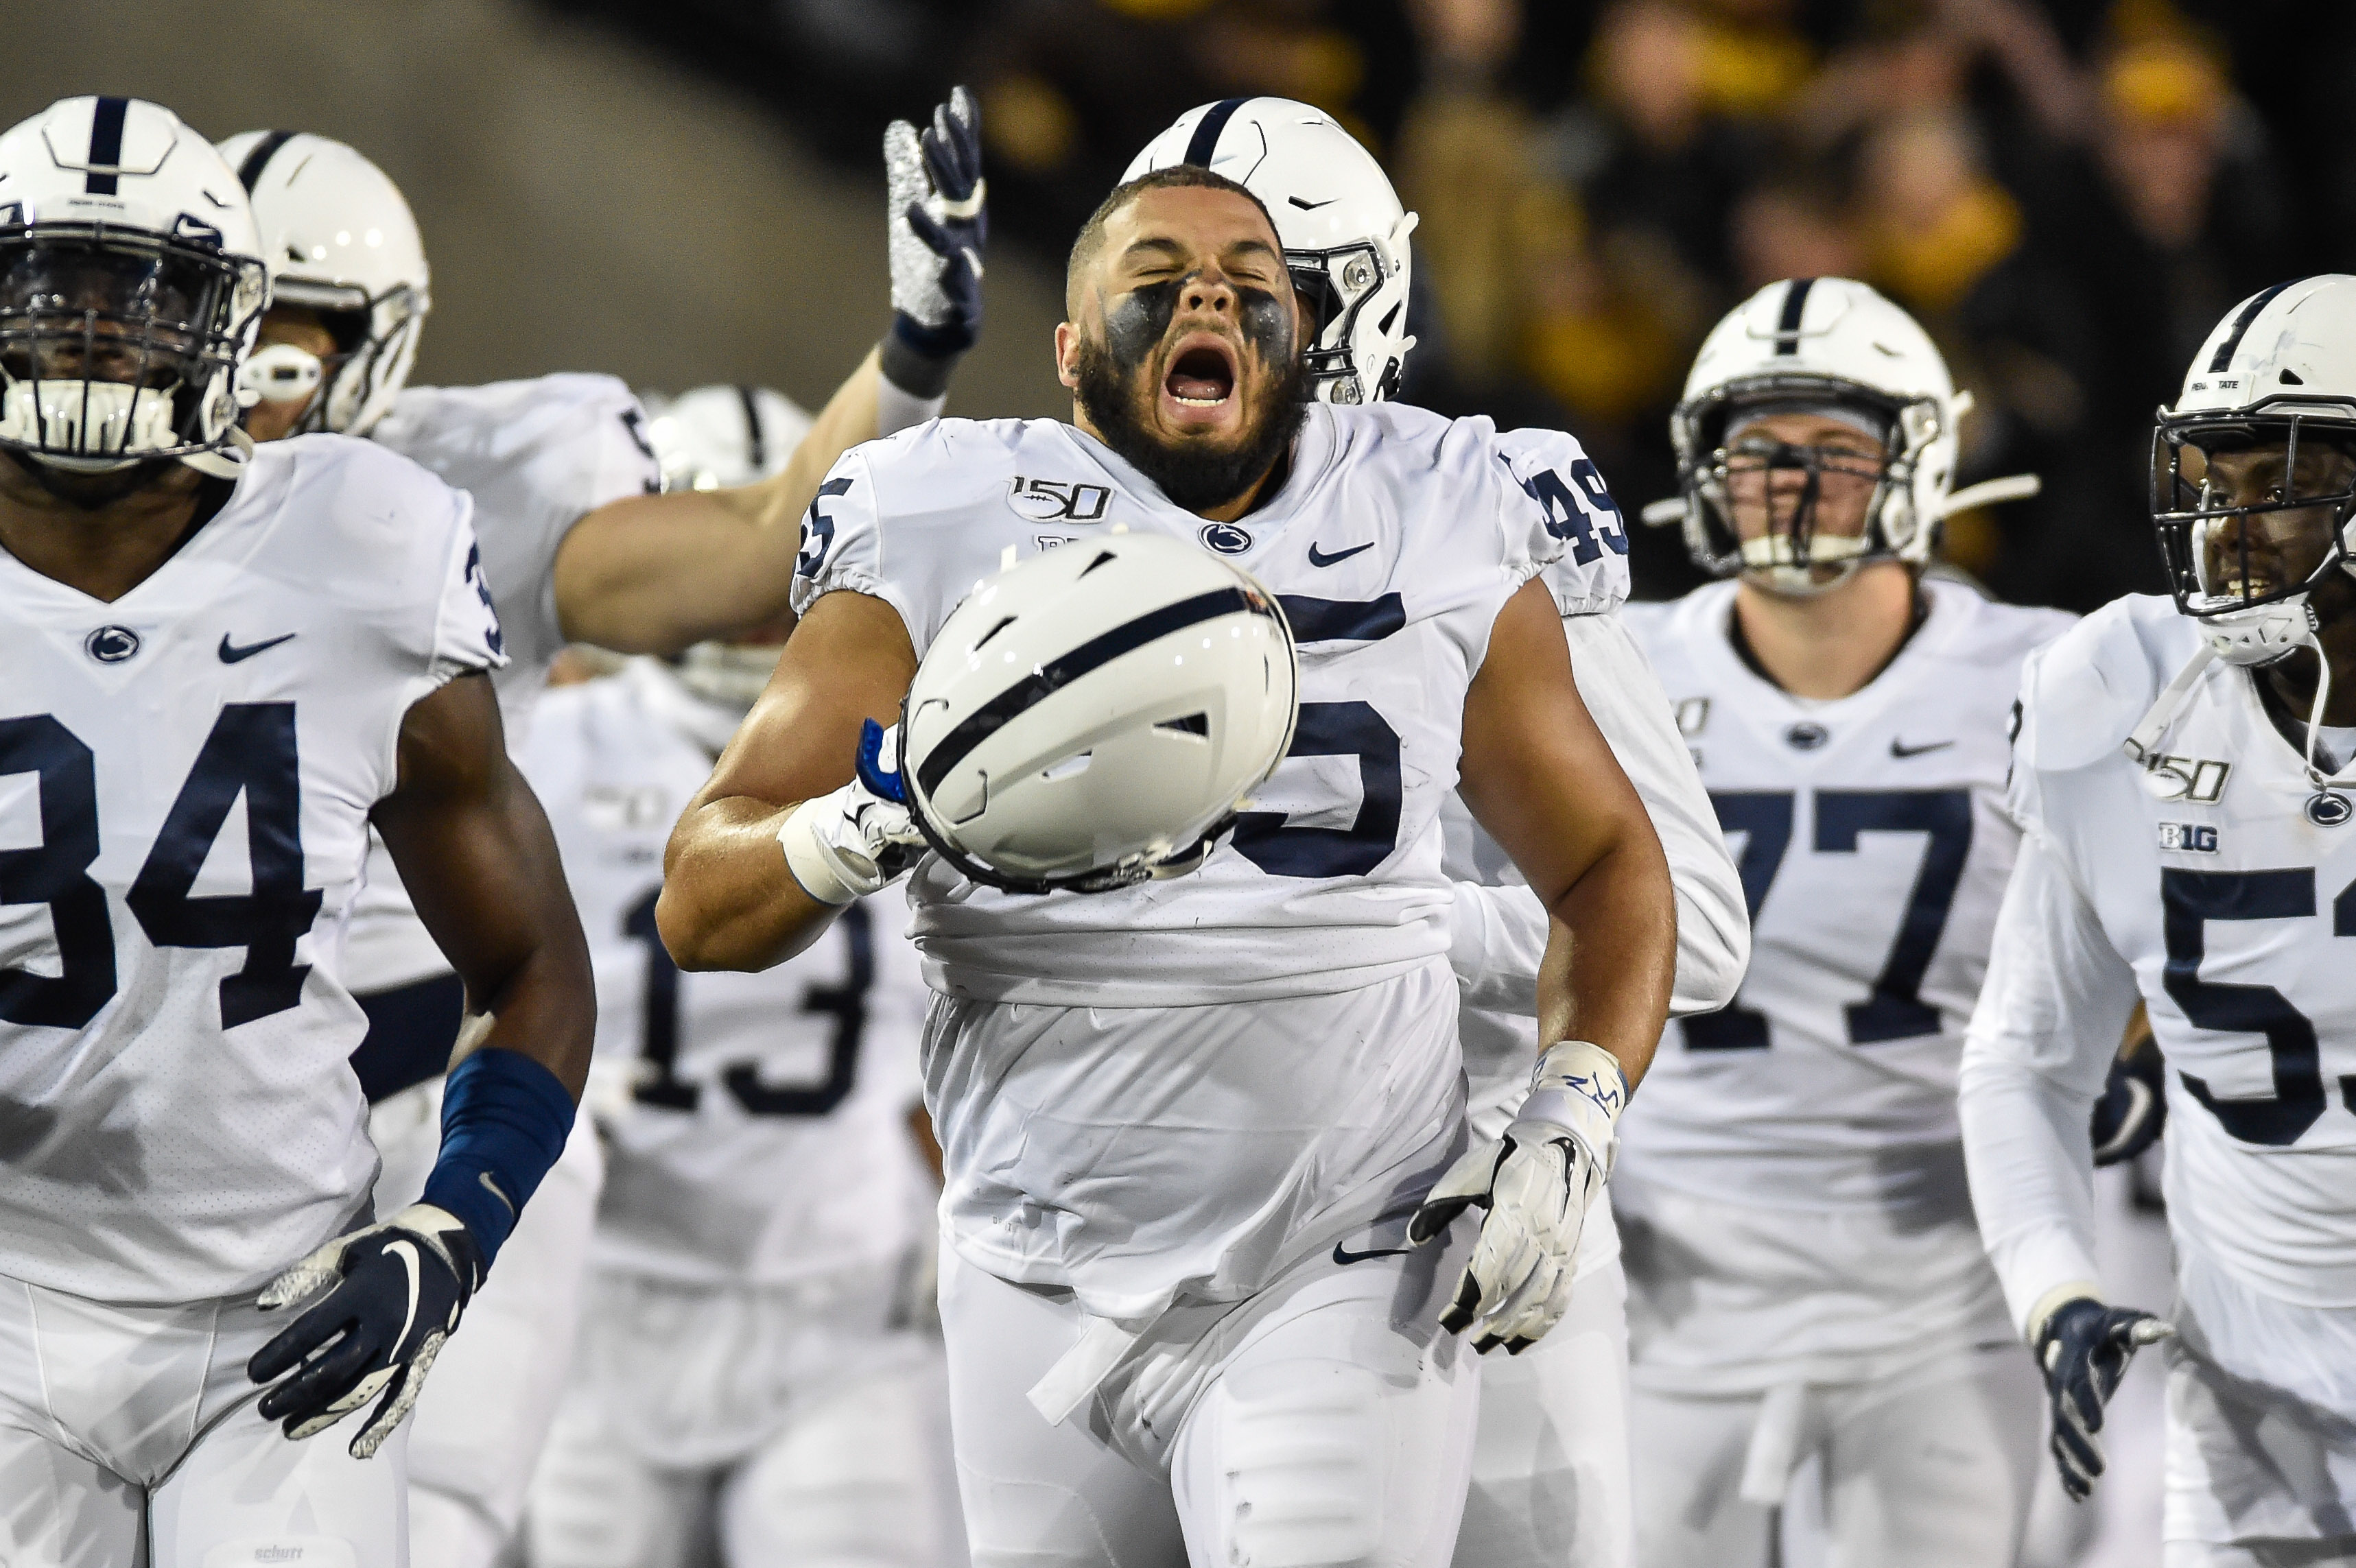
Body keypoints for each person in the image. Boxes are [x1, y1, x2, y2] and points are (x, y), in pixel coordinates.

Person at [656, 165, 1678, 1567]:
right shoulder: (941, 508)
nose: (1209, 292)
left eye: (1252, 278)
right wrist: (872, 824)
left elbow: (1610, 861)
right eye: (1156, 275)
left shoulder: (1438, 503)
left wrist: (1571, 1117)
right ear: (1071, 349)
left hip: (1341, 1250)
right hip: (1029, 1262)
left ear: (1299, 340)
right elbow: (702, 902)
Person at [213, 90, 987, 1566]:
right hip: (147, 1113)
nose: (246, 368)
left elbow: (757, 539)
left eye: (290, 327)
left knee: (420, 1530)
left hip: (419, 1100)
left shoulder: (450, 496)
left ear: (378, 341)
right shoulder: (60, 516)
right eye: (205, 308)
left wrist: (911, 361)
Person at [1121, 97, 1750, 1568]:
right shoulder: (1081, 523)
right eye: (1163, 286)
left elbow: (1696, 927)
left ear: (1356, 307)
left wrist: (1398, 923)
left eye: (1263, 290)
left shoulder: (1476, 510)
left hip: (1464, 1195)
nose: (1209, 330)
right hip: (1173, 1190)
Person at [0, 97, 591, 1565]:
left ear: (230, 326)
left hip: (283, 1297)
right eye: (55, 290)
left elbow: (530, 960)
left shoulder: (360, 543)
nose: (95, 337)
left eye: (146, 299)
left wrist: (456, 1222)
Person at [1611, 276, 2073, 1567]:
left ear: (1916, 459)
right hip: (1662, 1271)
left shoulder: (2053, 672)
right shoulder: (1609, 664)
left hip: (1942, 1284)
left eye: (1836, 448)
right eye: (1759, 449)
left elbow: (2163, 912)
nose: (1793, 483)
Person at [521, 387, 954, 1567]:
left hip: (839, 1300)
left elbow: (962, 1032)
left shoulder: (919, 746)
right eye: (741, 577)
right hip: (601, 1295)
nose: (763, 615)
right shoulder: (550, 748)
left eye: (789, 582)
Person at [1962, 274, 2356, 1568]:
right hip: (2256, 1398)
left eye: (2274, 483)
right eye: (2210, 477)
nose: (2223, 525)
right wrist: (2054, 1290)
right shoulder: (2122, 690)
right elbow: (2024, 1055)